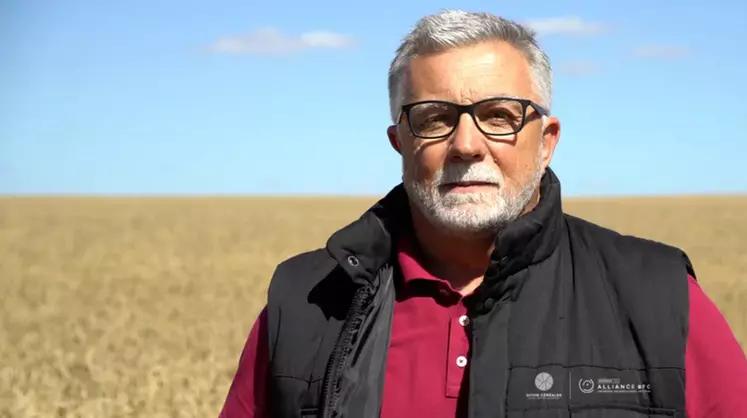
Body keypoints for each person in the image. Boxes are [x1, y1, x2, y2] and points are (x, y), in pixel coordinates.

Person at [219, 9, 747, 418]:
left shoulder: (660, 297)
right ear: (398, 142)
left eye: (499, 115)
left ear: (547, 142)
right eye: (434, 118)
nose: (466, 145)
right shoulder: (308, 301)